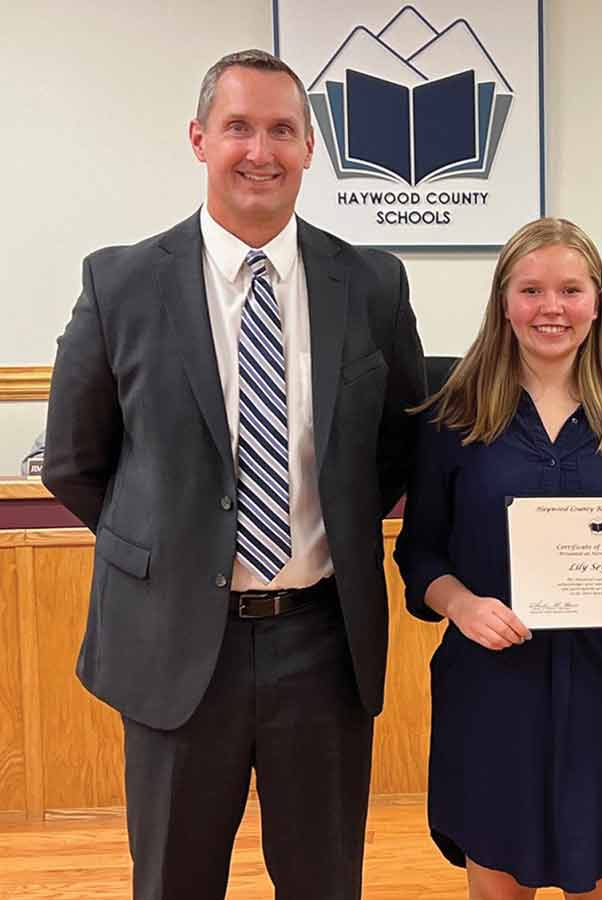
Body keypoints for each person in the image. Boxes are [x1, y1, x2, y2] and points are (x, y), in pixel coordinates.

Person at [42, 49, 425, 899]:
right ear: (199, 139)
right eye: (239, 127)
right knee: (174, 881)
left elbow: (396, 443)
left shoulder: (370, 283)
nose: (261, 150)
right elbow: (75, 459)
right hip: (177, 641)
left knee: (325, 882)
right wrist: (175, 547)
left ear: (310, 149)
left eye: (283, 130)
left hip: (322, 643)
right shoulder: (122, 282)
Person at [395, 217, 602, 900]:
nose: (552, 308)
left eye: (571, 290)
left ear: (598, 302)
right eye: (532, 290)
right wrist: (462, 606)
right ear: (504, 302)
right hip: (494, 692)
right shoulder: (452, 419)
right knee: (498, 880)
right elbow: (419, 552)